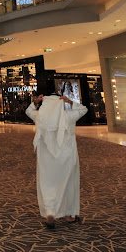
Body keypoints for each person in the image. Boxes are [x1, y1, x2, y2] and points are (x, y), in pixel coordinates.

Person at [25, 81, 88, 229]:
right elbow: (83, 109)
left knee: (47, 184)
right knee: (67, 183)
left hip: (46, 160)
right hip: (66, 157)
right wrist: (69, 102)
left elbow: (28, 111)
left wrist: (35, 102)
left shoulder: (40, 116)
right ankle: (69, 214)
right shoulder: (68, 117)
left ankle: (50, 213)